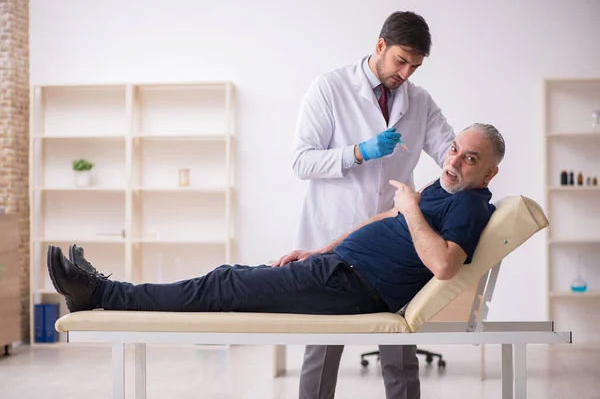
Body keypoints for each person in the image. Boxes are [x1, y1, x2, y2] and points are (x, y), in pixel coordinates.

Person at [47, 126, 503, 357]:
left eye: (470, 158)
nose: (455, 160)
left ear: (489, 172)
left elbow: (444, 265)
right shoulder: (444, 191)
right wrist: (321, 250)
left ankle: (101, 293)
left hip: (354, 287)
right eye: (453, 149)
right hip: (337, 269)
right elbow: (384, 217)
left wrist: (410, 208)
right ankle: (102, 290)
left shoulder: (468, 205)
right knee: (226, 282)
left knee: (224, 284)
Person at [289, 10, 455, 399]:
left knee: (399, 348)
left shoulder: (420, 101)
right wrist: (358, 153)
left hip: (392, 239)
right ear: (380, 46)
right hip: (333, 233)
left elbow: (448, 151)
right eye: (401, 61)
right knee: (323, 346)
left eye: (415, 66)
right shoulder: (329, 88)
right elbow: (301, 161)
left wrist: (471, 159)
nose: (406, 74)